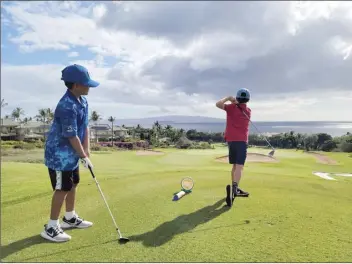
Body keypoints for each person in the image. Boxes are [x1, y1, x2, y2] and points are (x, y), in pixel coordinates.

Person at [41, 64, 99, 242]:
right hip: (59, 156)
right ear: (75, 85)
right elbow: (71, 134)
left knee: (74, 183)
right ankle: (51, 227)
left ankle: (69, 217)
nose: (89, 86)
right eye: (86, 83)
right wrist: (82, 155)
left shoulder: (82, 101)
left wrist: (86, 153)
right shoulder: (66, 106)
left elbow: (85, 127)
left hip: (73, 153)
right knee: (62, 188)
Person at [216, 88, 251, 207]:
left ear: (237, 98)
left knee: (235, 166)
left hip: (231, 140)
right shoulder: (248, 111)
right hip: (241, 141)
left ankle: (233, 187)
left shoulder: (231, 108)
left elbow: (218, 104)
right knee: (239, 166)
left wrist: (228, 98)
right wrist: (234, 102)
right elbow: (240, 107)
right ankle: (235, 188)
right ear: (248, 99)